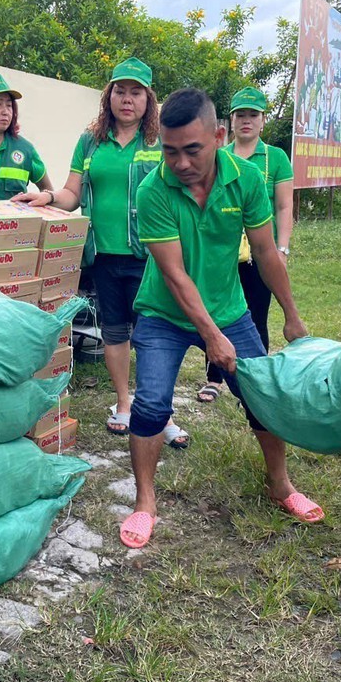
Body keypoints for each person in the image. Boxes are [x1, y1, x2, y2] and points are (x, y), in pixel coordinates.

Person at [120, 88, 324, 549]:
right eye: (170, 152)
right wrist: (210, 335)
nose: (180, 163)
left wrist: (291, 314)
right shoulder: (154, 189)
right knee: (151, 403)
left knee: (261, 397)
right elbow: (173, 274)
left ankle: (281, 485)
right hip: (164, 313)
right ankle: (145, 501)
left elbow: (267, 251)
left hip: (231, 310)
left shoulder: (248, 179)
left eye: (192, 150)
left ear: (218, 135)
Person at [14, 58, 189, 448]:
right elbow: (72, 193)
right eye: (120, 91)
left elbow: (182, 190)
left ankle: (161, 412)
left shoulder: (160, 140)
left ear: (148, 99)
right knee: (114, 331)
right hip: (104, 256)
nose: (127, 99)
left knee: (153, 336)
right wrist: (44, 197)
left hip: (152, 256)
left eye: (136, 92)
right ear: (109, 96)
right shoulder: (90, 141)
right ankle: (125, 403)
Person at [198, 87, 295, 404]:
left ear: (263, 121)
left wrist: (282, 249)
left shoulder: (275, 158)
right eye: (240, 114)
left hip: (259, 252)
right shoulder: (219, 156)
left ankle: (253, 382)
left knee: (256, 316)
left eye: (253, 115)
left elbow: (283, 206)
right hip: (223, 252)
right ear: (231, 120)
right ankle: (214, 377)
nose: (247, 121)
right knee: (217, 314)